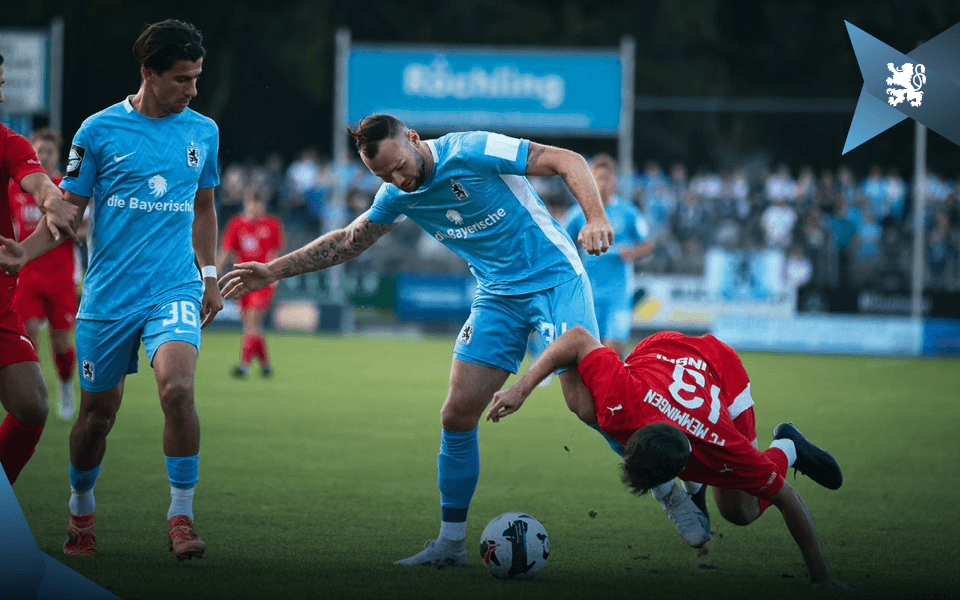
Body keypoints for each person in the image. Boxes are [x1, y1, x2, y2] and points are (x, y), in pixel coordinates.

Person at [221, 113, 619, 567]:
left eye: (398, 166)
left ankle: (670, 483)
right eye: (382, 175)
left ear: (412, 138)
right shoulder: (396, 193)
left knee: (585, 404)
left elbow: (566, 159)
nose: (398, 179)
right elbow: (351, 239)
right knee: (456, 413)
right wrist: (273, 270)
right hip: (498, 295)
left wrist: (595, 217)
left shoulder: (470, 149)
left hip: (554, 278)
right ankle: (450, 544)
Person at [0, 21, 222, 561]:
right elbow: (67, 211)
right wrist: (23, 253)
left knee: (178, 391)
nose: (193, 89)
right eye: (181, 79)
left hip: (173, 287)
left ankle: (181, 517)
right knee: (97, 417)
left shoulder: (204, 131)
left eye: (196, 78)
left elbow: (204, 207)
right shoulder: (97, 131)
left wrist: (210, 276)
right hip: (106, 299)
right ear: (148, 73)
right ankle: (81, 511)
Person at [486, 326, 851, 590]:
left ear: (685, 466)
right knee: (586, 409)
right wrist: (522, 389)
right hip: (662, 351)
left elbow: (787, 499)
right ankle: (686, 495)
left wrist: (822, 579)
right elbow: (577, 338)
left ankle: (788, 445)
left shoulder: (723, 449)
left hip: (722, 371)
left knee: (742, 511)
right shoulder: (621, 403)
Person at [0, 52, 78, 486]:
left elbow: (41, 186)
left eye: (2, 83)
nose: (0, 94)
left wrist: (52, 202)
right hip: (26, 282)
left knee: (32, 407)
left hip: (7, 297)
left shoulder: (9, 142)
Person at [9, 128, 79, 420]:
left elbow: (82, 230)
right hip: (27, 275)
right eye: (40, 151)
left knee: (61, 344)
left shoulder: (68, 189)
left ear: (57, 156)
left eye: (50, 152)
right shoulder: (15, 188)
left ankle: (64, 385)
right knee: (27, 335)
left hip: (61, 277)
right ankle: (35, 394)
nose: (45, 156)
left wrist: (76, 229)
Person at [565, 153, 653, 358]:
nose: (600, 183)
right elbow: (562, 242)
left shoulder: (628, 212)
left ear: (613, 180)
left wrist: (631, 252)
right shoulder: (577, 213)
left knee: (614, 348)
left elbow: (648, 244)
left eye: (604, 178)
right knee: (590, 349)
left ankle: (622, 375)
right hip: (588, 291)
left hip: (618, 293)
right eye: (595, 178)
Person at [218, 188, 283, 377]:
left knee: (253, 320)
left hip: (263, 281)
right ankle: (266, 366)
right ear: (245, 204)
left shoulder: (272, 224)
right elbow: (226, 251)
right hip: (242, 280)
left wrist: (276, 278)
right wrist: (214, 275)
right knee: (252, 325)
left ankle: (243, 365)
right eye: (251, 203)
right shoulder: (236, 224)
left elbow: (276, 253)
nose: (255, 207)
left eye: (258, 203)